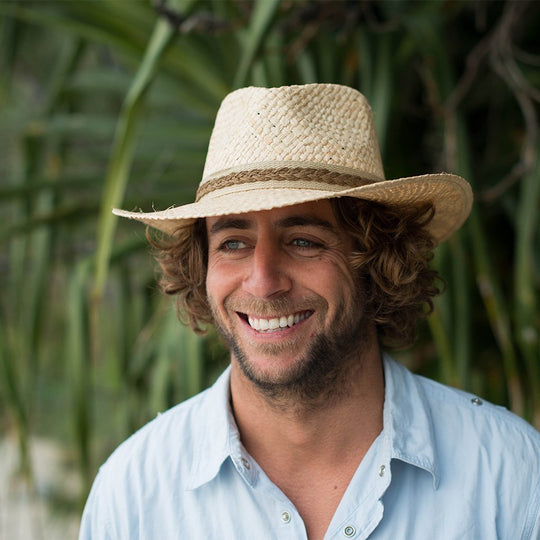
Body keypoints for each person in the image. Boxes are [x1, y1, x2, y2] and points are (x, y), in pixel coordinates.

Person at [80, 84, 540, 539]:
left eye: (304, 241)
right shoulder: (133, 495)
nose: (262, 281)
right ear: (203, 267)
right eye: (233, 243)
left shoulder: (510, 476)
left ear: (377, 260)